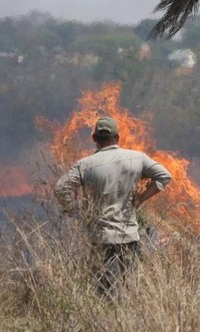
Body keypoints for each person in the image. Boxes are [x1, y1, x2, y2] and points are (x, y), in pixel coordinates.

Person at [55, 116, 172, 299]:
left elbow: (61, 188)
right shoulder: (136, 158)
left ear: (94, 138)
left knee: (105, 290)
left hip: (101, 236)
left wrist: (77, 211)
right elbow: (164, 176)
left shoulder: (84, 165)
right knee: (129, 286)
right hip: (129, 235)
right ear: (117, 137)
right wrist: (141, 198)